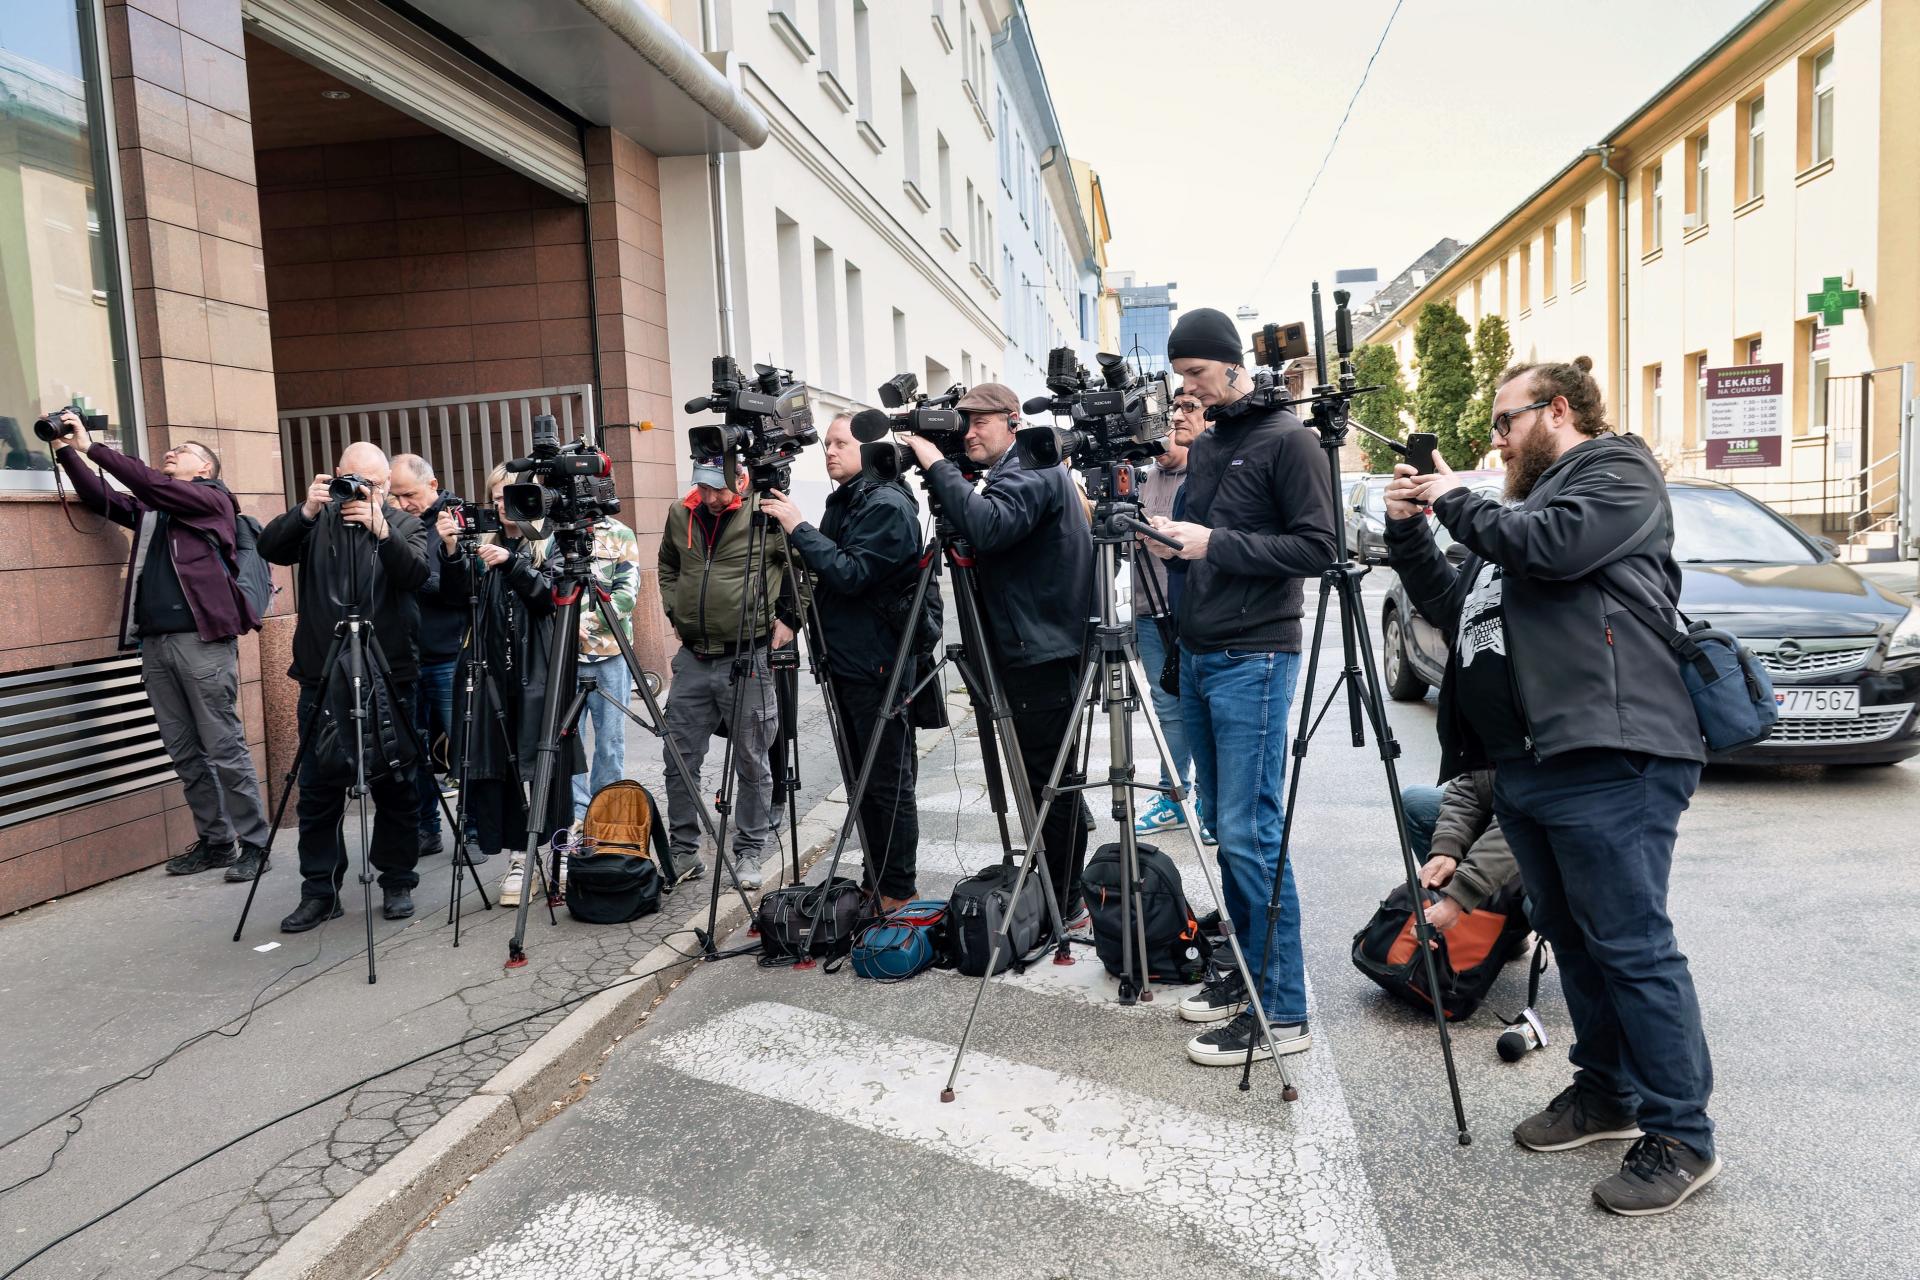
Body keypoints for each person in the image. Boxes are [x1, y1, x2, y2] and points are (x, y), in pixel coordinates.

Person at [1385, 356, 1718, 1216]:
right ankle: (1606, 1094)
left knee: (1632, 948)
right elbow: (1457, 607)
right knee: (1574, 942)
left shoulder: (1615, 473)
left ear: (1557, 410)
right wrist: (1411, 531)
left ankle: (1683, 1136)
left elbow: (1552, 547)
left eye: (1506, 421)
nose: (1496, 439)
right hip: (1528, 766)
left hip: (1610, 754)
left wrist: (1456, 497)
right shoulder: (1520, 513)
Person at [1152, 307, 1337, 1068]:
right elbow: (1200, 546)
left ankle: (1283, 1011)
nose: (1188, 389)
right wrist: (1168, 541)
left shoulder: (1289, 439)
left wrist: (1214, 544)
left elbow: (1320, 548)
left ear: (1232, 364)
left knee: (1252, 831)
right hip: (1200, 653)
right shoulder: (1210, 444)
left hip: (1254, 657)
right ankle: (1247, 974)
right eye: (1180, 376)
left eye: (1197, 373)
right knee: (1226, 830)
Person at [53, 414, 272, 882]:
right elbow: (102, 497)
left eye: (184, 451)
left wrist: (94, 448)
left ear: (205, 469)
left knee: (224, 747)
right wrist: (67, 451)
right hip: (154, 644)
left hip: (201, 642)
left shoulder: (213, 500)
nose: (171, 452)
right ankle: (217, 843)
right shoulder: (155, 512)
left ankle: (256, 844)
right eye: (170, 450)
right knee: (185, 752)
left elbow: (152, 484)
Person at [906, 382, 1094, 925]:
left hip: (1040, 650)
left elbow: (988, 528)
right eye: (961, 423)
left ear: (1013, 420)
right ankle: (1058, 882)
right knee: (1048, 775)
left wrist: (935, 462)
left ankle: (1064, 900)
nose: (968, 433)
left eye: (979, 422)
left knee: (1047, 780)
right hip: (1037, 643)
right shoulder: (1018, 469)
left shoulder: (1029, 468)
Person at [257, 443, 431, 930]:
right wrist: (307, 510)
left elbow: (418, 575)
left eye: (371, 484)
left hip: (389, 673)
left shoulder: (404, 525)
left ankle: (396, 880)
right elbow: (269, 549)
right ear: (335, 476)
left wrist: (381, 530)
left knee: (396, 782)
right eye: (351, 480)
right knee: (318, 787)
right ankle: (320, 890)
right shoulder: (317, 521)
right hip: (321, 673)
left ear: (386, 485)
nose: (359, 491)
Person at [762, 413, 927, 910]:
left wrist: (797, 527)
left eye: (841, 444)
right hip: (850, 660)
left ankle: (898, 890)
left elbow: (850, 573)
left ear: (869, 450)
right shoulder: (849, 499)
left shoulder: (886, 505)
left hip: (878, 664)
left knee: (886, 781)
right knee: (863, 781)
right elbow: (821, 575)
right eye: (828, 444)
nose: (830, 451)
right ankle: (878, 882)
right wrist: (791, 616)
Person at [434, 467, 582, 906]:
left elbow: (551, 596)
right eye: (496, 498)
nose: (502, 506)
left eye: (511, 497)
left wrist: (512, 562)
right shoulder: (485, 541)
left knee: (549, 763)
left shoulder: (553, 539)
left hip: (542, 669)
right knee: (508, 766)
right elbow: (457, 598)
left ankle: (561, 851)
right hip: (493, 672)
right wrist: (451, 550)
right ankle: (521, 858)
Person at [657, 458, 798, 891]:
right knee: (679, 759)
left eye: (719, 489)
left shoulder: (765, 512)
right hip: (693, 658)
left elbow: (804, 565)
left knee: (752, 759)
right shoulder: (681, 512)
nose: (711, 498)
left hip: (748, 656)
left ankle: (749, 850)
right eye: (703, 488)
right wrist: (675, 611)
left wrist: (792, 618)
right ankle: (684, 851)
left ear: (741, 479)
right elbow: (668, 565)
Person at [389, 454, 462, 860]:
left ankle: (472, 829)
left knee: (461, 749)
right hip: (405, 654)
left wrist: (413, 576)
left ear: (433, 485)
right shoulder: (392, 521)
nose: (403, 504)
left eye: (409, 495)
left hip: (449, 652)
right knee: (413, 750)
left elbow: (459, 583)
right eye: (395, 496)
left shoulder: (455, 518)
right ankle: (426, 827)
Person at [1129, 413, 1192, 839]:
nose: (1157, 443)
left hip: (1188, 610)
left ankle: (1206, 798)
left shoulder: (1203, 476)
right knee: (1167, 707)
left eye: (1163, 432)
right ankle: (1173, 795)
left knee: (1202, 705)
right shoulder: (1142, 480)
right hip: (1147, 609)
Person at [569, 513, 643, 825]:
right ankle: (575, 814)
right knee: (567, 742)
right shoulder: (552, 531)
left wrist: (580, 623)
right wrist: (564, 625)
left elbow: (627, 594)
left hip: (610, 653)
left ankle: (605, 813)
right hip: (564, 656)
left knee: (610, 742)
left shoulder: (620, 533)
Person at [1399, 769, 1518, 932]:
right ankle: (1468, 923)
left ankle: (1507, 928)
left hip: (1544, 835)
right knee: (1415, 801)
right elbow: (1470, 783)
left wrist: (1460, 895)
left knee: (1543, 901)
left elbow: (1517, 824)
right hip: (1503, 809)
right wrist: (1446, 848)